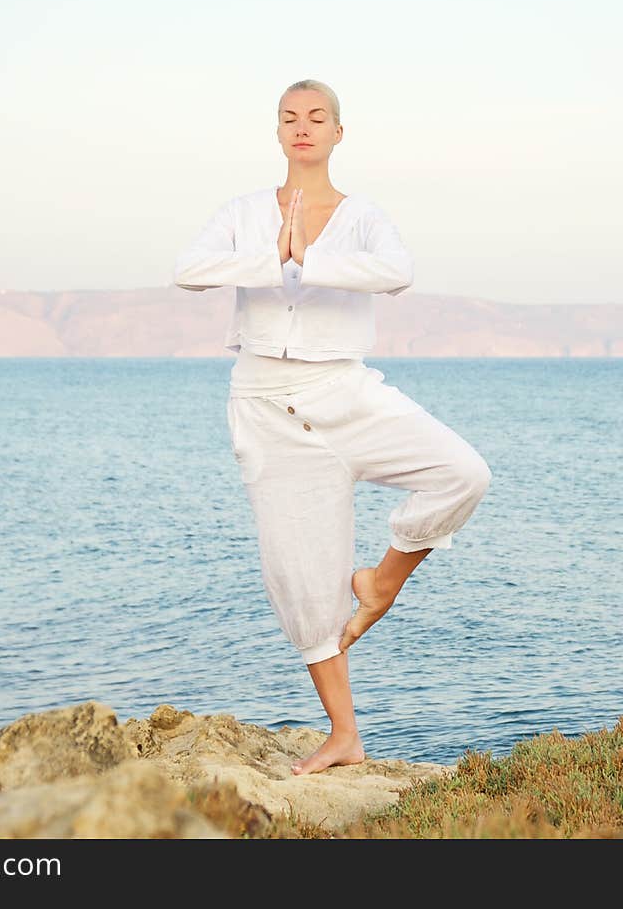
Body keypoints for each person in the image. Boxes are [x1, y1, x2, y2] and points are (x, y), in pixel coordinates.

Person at [172, 79, 492, 776]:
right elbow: (189, 269)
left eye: (317, 117)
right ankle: (345, 734)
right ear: (277, 132)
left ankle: (383, 580)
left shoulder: (364, 216)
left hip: (344, 389)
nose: (303, 126)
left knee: (462, 472)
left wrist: (307, 257)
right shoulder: (243, 211)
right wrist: (273, 254)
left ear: (338, 132)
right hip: (264, 401)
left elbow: (396, 272)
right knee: (303, 586)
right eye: (289, 117)